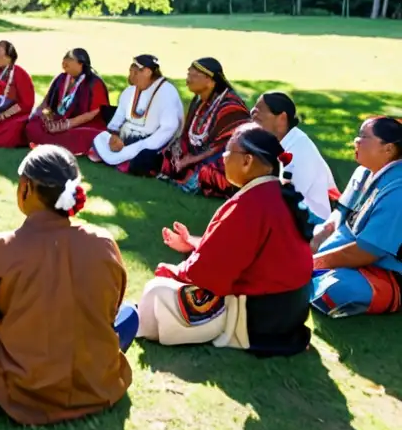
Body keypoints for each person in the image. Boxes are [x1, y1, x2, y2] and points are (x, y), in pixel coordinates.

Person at [0, 145, 136, 423]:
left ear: (25, 188)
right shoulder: (103, 242)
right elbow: (110, 314)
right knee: (130, 315)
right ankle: (87, 384)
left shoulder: (3, 247)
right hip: (92, 381)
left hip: (23, 380)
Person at [137, 124, 314, 356]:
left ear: (247, 161)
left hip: (258, 319)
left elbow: (208, 274)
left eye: (228, 153)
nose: (223, 159)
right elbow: (243, 253)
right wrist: (192, 244)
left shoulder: (252, 203)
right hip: (290, 313)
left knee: (157, 292)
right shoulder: (277, 192)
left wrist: (174, 271)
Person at [310, 117, 402, 318]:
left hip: (386, 271)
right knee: (302, 228)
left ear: (389, 149)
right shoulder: (363, 171)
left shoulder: (398, 188)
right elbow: (341, 212)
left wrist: (312, 262)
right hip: (348, 253)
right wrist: (319, 237)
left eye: (363, 137)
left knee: (336, 288)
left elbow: (367, 252)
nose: (355, 141)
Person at [156, 58, 250, 197]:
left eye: (193, 76)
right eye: (188, 74)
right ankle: (185, 175)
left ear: (209, 80)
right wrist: (182, 155)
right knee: (167, 156)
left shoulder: (231, 106)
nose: (188, 79)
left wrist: (191, 159)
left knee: (208, 172)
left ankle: (192, 181)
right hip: (198, 153)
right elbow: (188, 135)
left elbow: (223, 147)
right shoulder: (198, 100)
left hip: (225, 157)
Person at [89, 55, 183, 175]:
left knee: (144, 158)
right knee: (100, 138)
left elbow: (168, 129)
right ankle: (120, 158)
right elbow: (118, 118)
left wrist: (141, 145)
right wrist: (114, 135)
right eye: (130, 72)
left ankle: (121, 159)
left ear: (147, 72)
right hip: (126, 138)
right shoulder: (130, 91)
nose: (130, 77)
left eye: (135, 72)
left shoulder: (167, 93)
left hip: (152, 142)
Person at [250, 91, 337, 221]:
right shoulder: (281, 142)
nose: (253, 112)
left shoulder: (298, 151)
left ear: (282, 118)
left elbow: (288, 201)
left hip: (310, 225)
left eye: (259, 112)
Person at [26, 48, 109, 155]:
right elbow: (46, 103)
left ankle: (49, 144)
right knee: (32, 126)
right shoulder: (61, 78)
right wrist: (47, 116)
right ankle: (51, 144)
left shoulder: (94, 82)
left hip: (81, 124)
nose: (64, 62)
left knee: (88, 135)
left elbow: (95, 112)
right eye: (64, 57)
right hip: (58, 119)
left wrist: (67, 124)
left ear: (81, 63)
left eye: (69, 59)